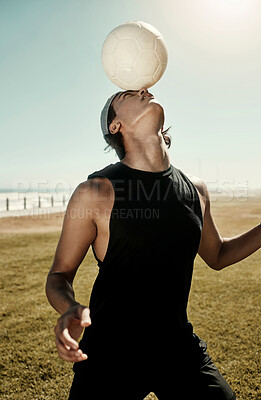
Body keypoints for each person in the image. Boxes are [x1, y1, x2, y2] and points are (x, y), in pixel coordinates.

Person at [46, 88, 261, 400]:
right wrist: (71, 309)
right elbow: (59, 275)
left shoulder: (196, 190)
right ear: (115, 125)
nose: (144, 90)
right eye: (128, 94)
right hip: (109, 356)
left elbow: (218, 254)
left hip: (178, 349)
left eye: (144, 88)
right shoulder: (95, 192)